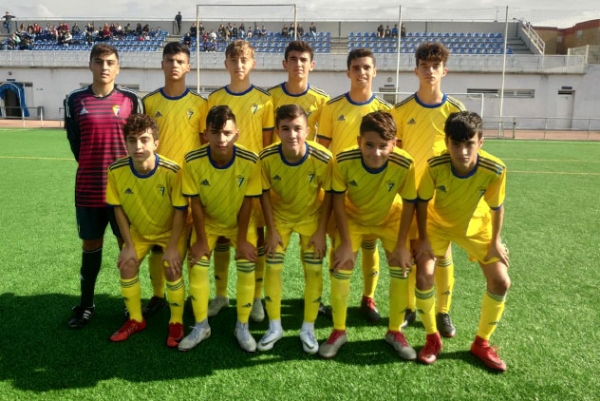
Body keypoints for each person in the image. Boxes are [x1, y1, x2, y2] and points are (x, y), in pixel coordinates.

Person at [414, 111, 510, 372]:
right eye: (456, 144)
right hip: (437, 226)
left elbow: (497, 207)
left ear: (480, 142)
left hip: (475, 228)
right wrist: (423, 240)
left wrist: (495, 242)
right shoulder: (435, 165)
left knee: (501, 281)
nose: (463, 151)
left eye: (469, 143)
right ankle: (432, 338)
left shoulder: (495, 168)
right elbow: (422, 202)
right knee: (423, 277)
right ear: (447, 142)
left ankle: (482, 343)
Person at [319, 111, 417, 360]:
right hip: (353, 218)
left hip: (390, 218)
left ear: (394, 144)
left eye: (384, 146)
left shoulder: (405, 163)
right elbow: (338, 203)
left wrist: (404, 244)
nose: (376, 152)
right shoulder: (343, 160)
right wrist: (345, 242)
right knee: (341, 265)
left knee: (400, 266)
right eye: (369, 145)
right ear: (358, 140)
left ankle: (394, 331)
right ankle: (338, 330)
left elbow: (408, 204)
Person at [65, 43, 144, 329]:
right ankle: (86, 305)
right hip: (89, 187)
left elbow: (139, 140)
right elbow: (76, 143)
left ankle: (130, 306)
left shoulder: (131, 99)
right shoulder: (74, 99)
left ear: (118, 66)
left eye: (110, 62)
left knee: (128, 247)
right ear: (90, 65)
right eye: (99, 62)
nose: (105, 67)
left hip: (125, 192)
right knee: (91, 245)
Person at [391, 41, 466, 335]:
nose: (430, 71)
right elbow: (395, 155)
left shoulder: (455, 109)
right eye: (425, 66)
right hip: (409, 196)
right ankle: (409, 308)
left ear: (444, 71)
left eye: (435, 66)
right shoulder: (401, 109)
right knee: (410, 253)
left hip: (441, 198)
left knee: (442, 255)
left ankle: (443, 312)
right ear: (416, 70)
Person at [317, 48, 391, 323]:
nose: (361, 72)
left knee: (370, 246)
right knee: (338, 246)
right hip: (339, 191)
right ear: (348, 72)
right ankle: (331, 298)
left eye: (366, 67)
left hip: (372, 193)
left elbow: (392, 153)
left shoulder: (386, 111)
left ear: (375, 72)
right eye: (356, 67)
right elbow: (323, 149)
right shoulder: (332, 107)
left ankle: (368, 297)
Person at [180, 105, 261, 352]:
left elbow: (249, 202)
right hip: (209, 222)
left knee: (248, 263)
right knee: (196, 262)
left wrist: (244, 239)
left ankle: (242, 326)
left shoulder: (250, 160)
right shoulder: (192, 160)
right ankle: (201, 325)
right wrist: (202, 240)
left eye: (227, 133)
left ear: (237, 133)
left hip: (241, 223)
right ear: (206, 134)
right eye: (215, 133)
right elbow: (195, 203)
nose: (221, 139)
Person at [206, 40, 274, 324]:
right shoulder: (214, 99)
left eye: (244, 60)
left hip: (252, 183)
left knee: (254, 240)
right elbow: (208, 140)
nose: (239, 65)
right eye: (234, 60)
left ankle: (256, 297)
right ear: (226, 64)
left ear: (253, 63)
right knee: (221, 237)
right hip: (221, 180)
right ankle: (221, 295)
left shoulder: (265, 100)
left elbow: (268, 145)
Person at [142, 42, 208, 332]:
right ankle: (158, 295)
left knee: (193, 244)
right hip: (159, 185)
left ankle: (194, 296)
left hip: (191, 185)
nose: (174, 65)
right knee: (159, 243)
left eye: (180, 60)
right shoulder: (150, 102)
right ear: (162, 64)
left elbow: (206, 144)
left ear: (188, 66)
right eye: (169, 60)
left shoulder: (200, 104)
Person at [106, 114, 188, 345]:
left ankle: (176, 321)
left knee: (171, 268)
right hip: (140, 232)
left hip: (170, 231)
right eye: (132, 140)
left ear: (155, 143)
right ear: (126, 143)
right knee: (127, 264)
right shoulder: (116, 170)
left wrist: (172, 247)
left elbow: (181, 211)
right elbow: (117, 208)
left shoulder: (173, 172)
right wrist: (127, 245)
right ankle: (135, 319)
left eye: (144, 139)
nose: (138, 146)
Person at [258, 104, 332, 354]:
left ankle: (308, 327)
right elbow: (264, 194)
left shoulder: (323, 158)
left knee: (313, 271)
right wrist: (271, 228)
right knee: (273, 267)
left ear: (308, 130)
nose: (292, 134)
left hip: (311, 219)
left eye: (298, 128)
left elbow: (330, 196)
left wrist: (322, 231)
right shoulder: (266, 157)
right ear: (277, 131)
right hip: (279, 219)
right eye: (286, 129)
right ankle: (274, 326)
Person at [268, 41, 330, 142]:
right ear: (285, 64)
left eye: (303, 60)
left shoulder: (322, 99)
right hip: (276, 157)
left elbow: (325, 137)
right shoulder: (270, 96)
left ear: (312, 65)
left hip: (307, 157)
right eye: (293, 59)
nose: (298, 64)